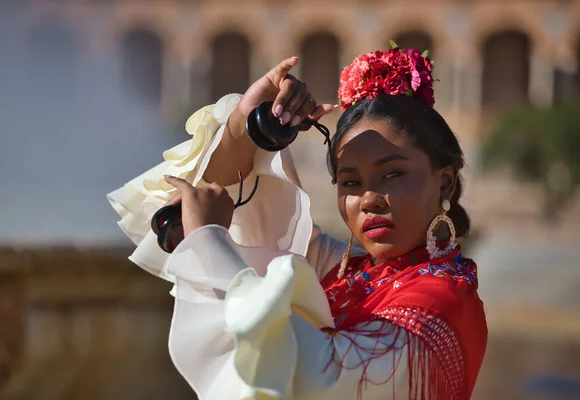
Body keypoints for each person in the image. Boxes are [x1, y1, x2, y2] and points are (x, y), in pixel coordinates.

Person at [107, 48, 487, 400]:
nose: (369, 199)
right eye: (351, 183)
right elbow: (233, 214)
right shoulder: (345, 274)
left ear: (446, 181)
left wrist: (209, 242)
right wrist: (251, 126)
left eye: (392, 174)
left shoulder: (441, 302)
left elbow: (318, 376)